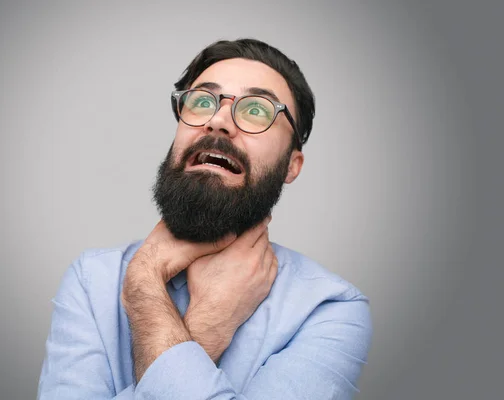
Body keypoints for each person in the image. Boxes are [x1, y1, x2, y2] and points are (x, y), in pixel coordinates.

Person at [37, 38, 372, 400]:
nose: (217, 121)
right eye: (201, 101)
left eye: (257, 110)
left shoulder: (329, 310)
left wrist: (144, 290)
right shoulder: (92, 280)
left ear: (292, 165)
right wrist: (163, 295)